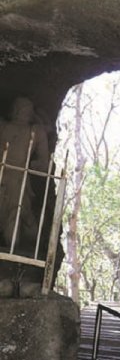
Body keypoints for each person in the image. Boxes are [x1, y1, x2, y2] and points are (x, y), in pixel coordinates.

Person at [0, 96, 50, 251]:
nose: (23, 112)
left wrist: (36, 165)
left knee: (19, 210)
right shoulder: (2, 126)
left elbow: (44, 161)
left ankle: (17, 246)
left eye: (28, 109)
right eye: (21, 108)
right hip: (2, 172)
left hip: (20, 177)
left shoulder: (36, 131)